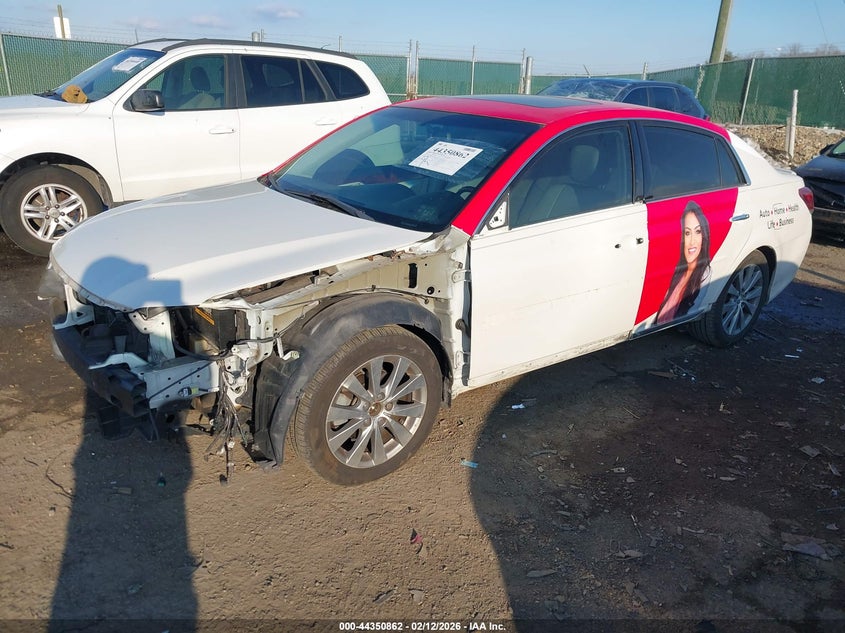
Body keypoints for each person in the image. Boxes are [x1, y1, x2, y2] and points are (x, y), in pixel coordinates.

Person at [656, 201, 712, 324]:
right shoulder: (679, 272)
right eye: (687, 233)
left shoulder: (704, 273)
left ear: (704, 235)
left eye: (698, 231)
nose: (692, 241)